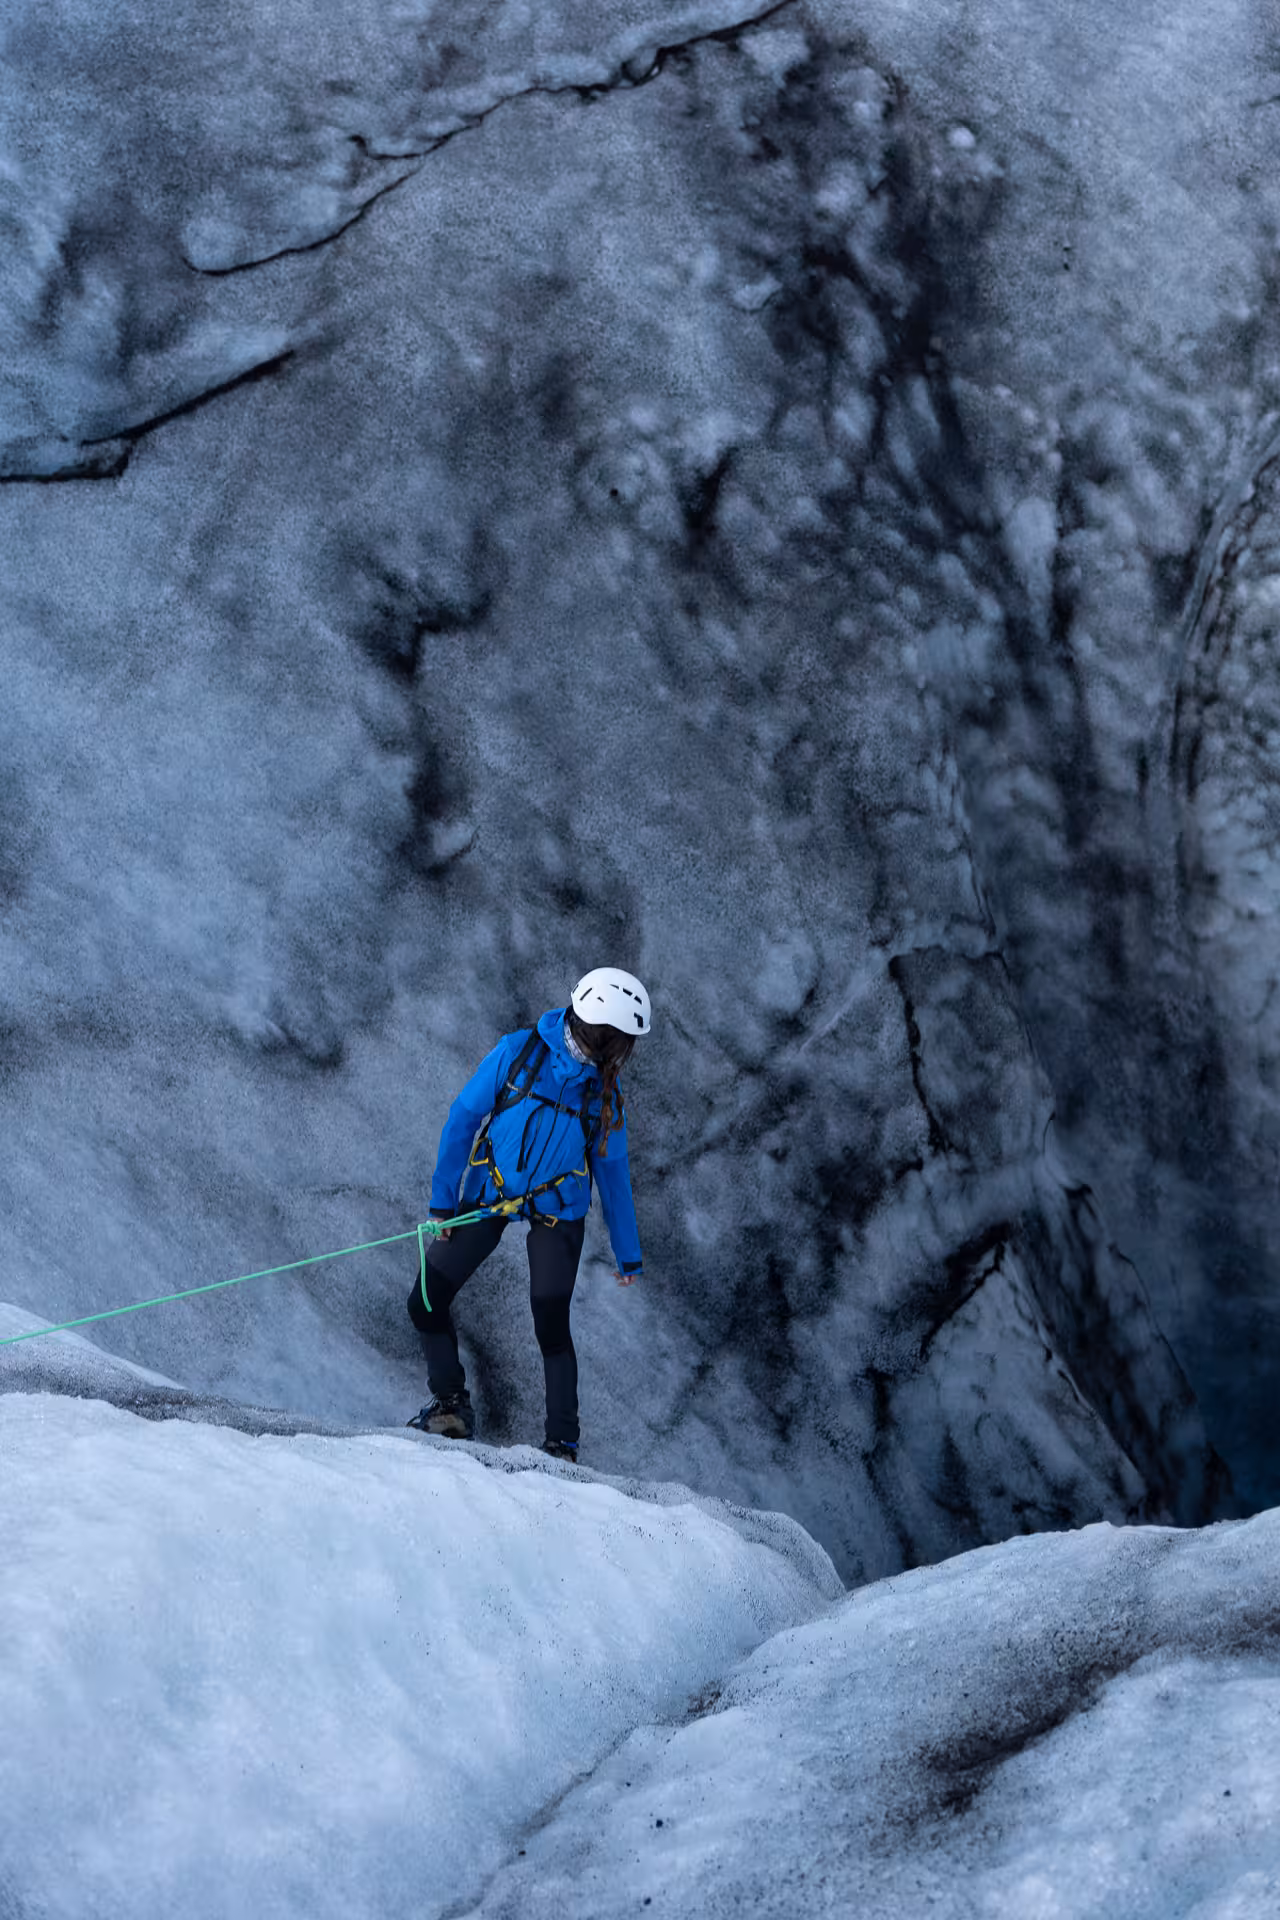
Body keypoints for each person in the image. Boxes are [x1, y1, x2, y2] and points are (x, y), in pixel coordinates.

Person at [406, 968, 650, 1461]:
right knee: (427, 1300)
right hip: (491, 1192)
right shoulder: (517, 1053)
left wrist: (629, 1253)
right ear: (605, 1036)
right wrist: (442, 1203)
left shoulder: (605, 1095)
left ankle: (562, 1444)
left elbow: (612, 1173)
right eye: (623, 1040)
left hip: (558, 1210)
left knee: (550, 1320)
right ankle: (450, 1406)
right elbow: (463, 1118)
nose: (626, 1051)